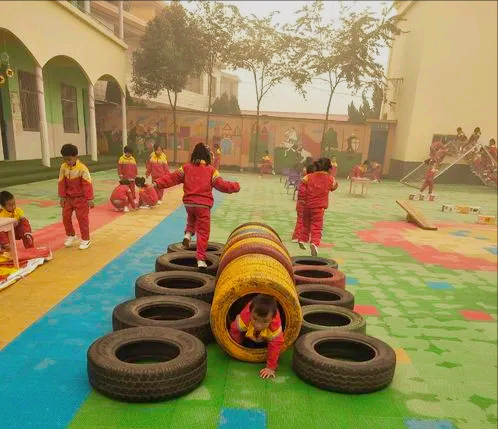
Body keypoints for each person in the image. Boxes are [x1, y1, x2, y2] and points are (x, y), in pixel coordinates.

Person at [154, 143, 240, 269]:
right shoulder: (211, 170)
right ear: (207, 155)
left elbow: (172, 178)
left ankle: (188, 234)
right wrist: (236, 186)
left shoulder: (186, 168)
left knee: (192, 217)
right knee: (203, 232)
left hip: (189, 203)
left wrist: (157, 184)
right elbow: (221, 185)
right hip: (203, 205)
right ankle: (200, 259)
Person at [229, 294, 284, 379]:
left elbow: (275, 346)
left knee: (274, 342)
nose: (258, 325)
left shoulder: (275, 326)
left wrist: (270, 367)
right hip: (252, 309)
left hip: (267, 315)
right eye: (255, 319)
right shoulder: (245, 318)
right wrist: (238, 344)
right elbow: (234, 329)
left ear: (272, 319)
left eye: (265, 322)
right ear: (250, 313)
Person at [299, 158, 339, 256]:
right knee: (316, 226)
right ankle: (314, 243)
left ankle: (302, 239)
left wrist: (302, 200)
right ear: (329, 168)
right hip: (319, 208)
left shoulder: (309, 177)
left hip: (307, 206)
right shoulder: (330, 179)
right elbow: (333, 187)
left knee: (305, 224)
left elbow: (302, 188)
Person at [58, 144, 94, 250]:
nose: (67, 162)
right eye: (65, 160)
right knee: (65, 217)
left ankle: (85, 239)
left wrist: (89, 199)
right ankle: (71, 235)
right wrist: (62, 197)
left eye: (69, 159)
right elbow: (61, 182)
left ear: (76, 156)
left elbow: (87, 184)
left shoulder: (82, 169)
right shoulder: (63, 167)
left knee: (82, 219)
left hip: (81, 198)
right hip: (68, 198)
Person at [292, 162, 315, 243]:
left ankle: (302, 237)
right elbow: (303, 193)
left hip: (305, 204)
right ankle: (296, 236)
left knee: (305, 221)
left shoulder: (308, 179)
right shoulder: (306, 180)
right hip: (303, 204)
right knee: (301, 220)